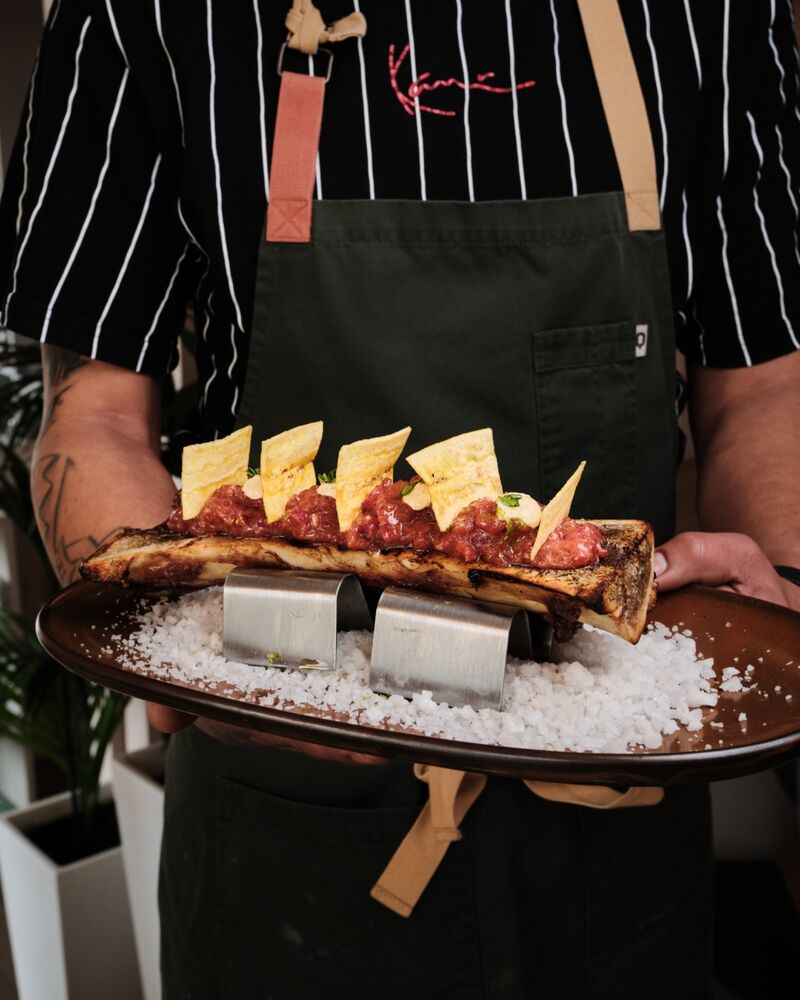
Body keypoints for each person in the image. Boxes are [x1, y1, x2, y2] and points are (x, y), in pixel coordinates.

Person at [2, 1, 799, 997]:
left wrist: (777, 600)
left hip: (611, 822)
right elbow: (91, 417)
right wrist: (180, 643)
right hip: (288, 822)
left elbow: (763, 377)